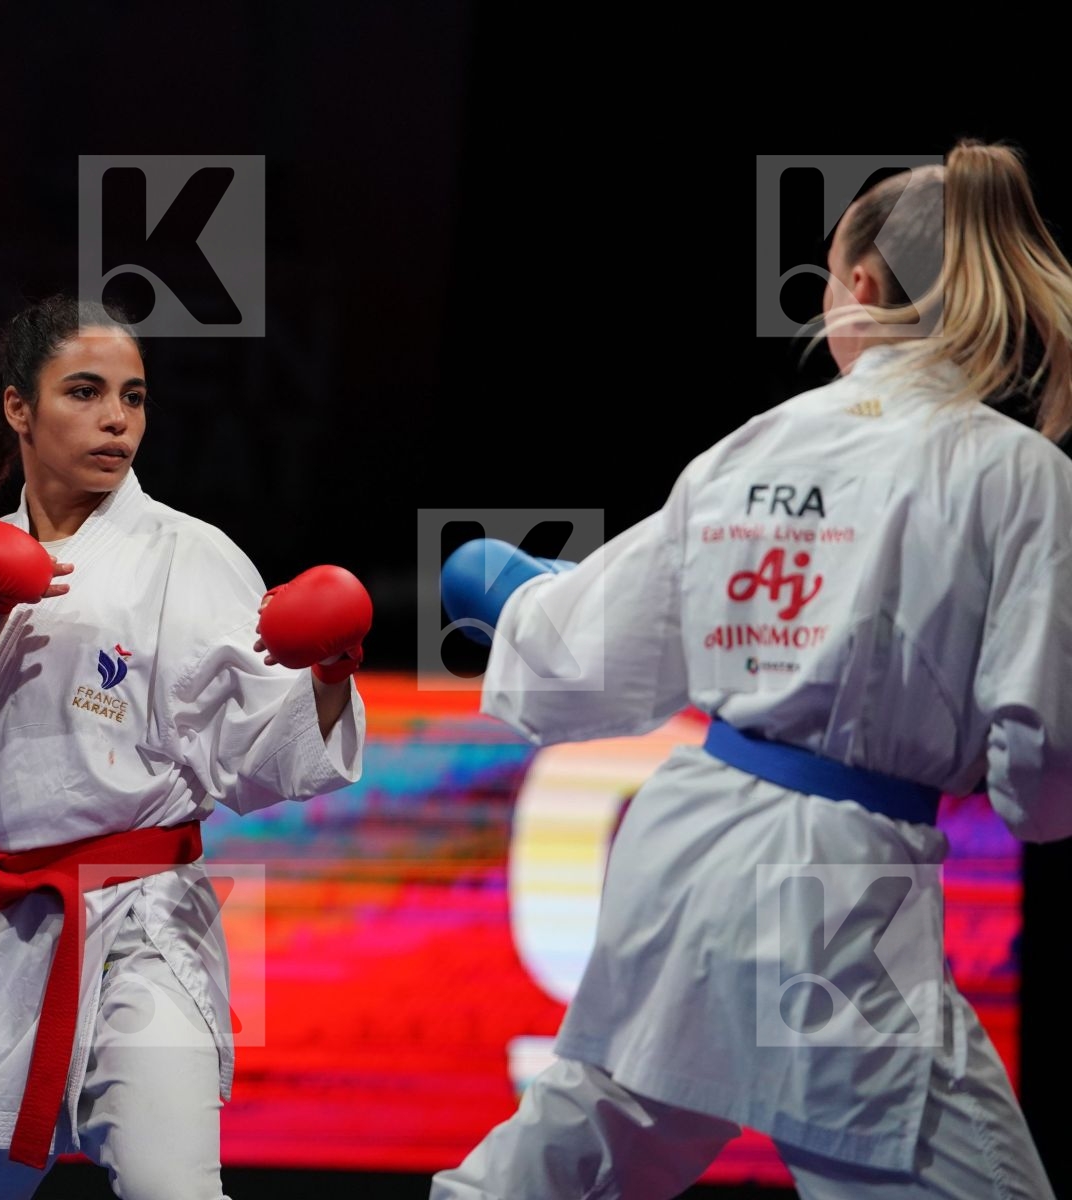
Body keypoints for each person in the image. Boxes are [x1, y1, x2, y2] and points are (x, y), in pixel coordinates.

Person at [433, 138, 1072, 1198]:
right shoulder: (1018, 474)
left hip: (685, 842)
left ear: (861, 287)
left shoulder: (754, 445)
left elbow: (588, 655)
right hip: (830, 883)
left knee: (593, 1136)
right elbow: (1044, 762)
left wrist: (514, 595)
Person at [0, 294, 373, 1200]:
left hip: (143, 925)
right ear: (20, 408)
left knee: (176, 1190)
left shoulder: (187, 554)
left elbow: (261, 756)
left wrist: (328, 674)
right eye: (85, 392)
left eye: (133, 397)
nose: (117, 419)